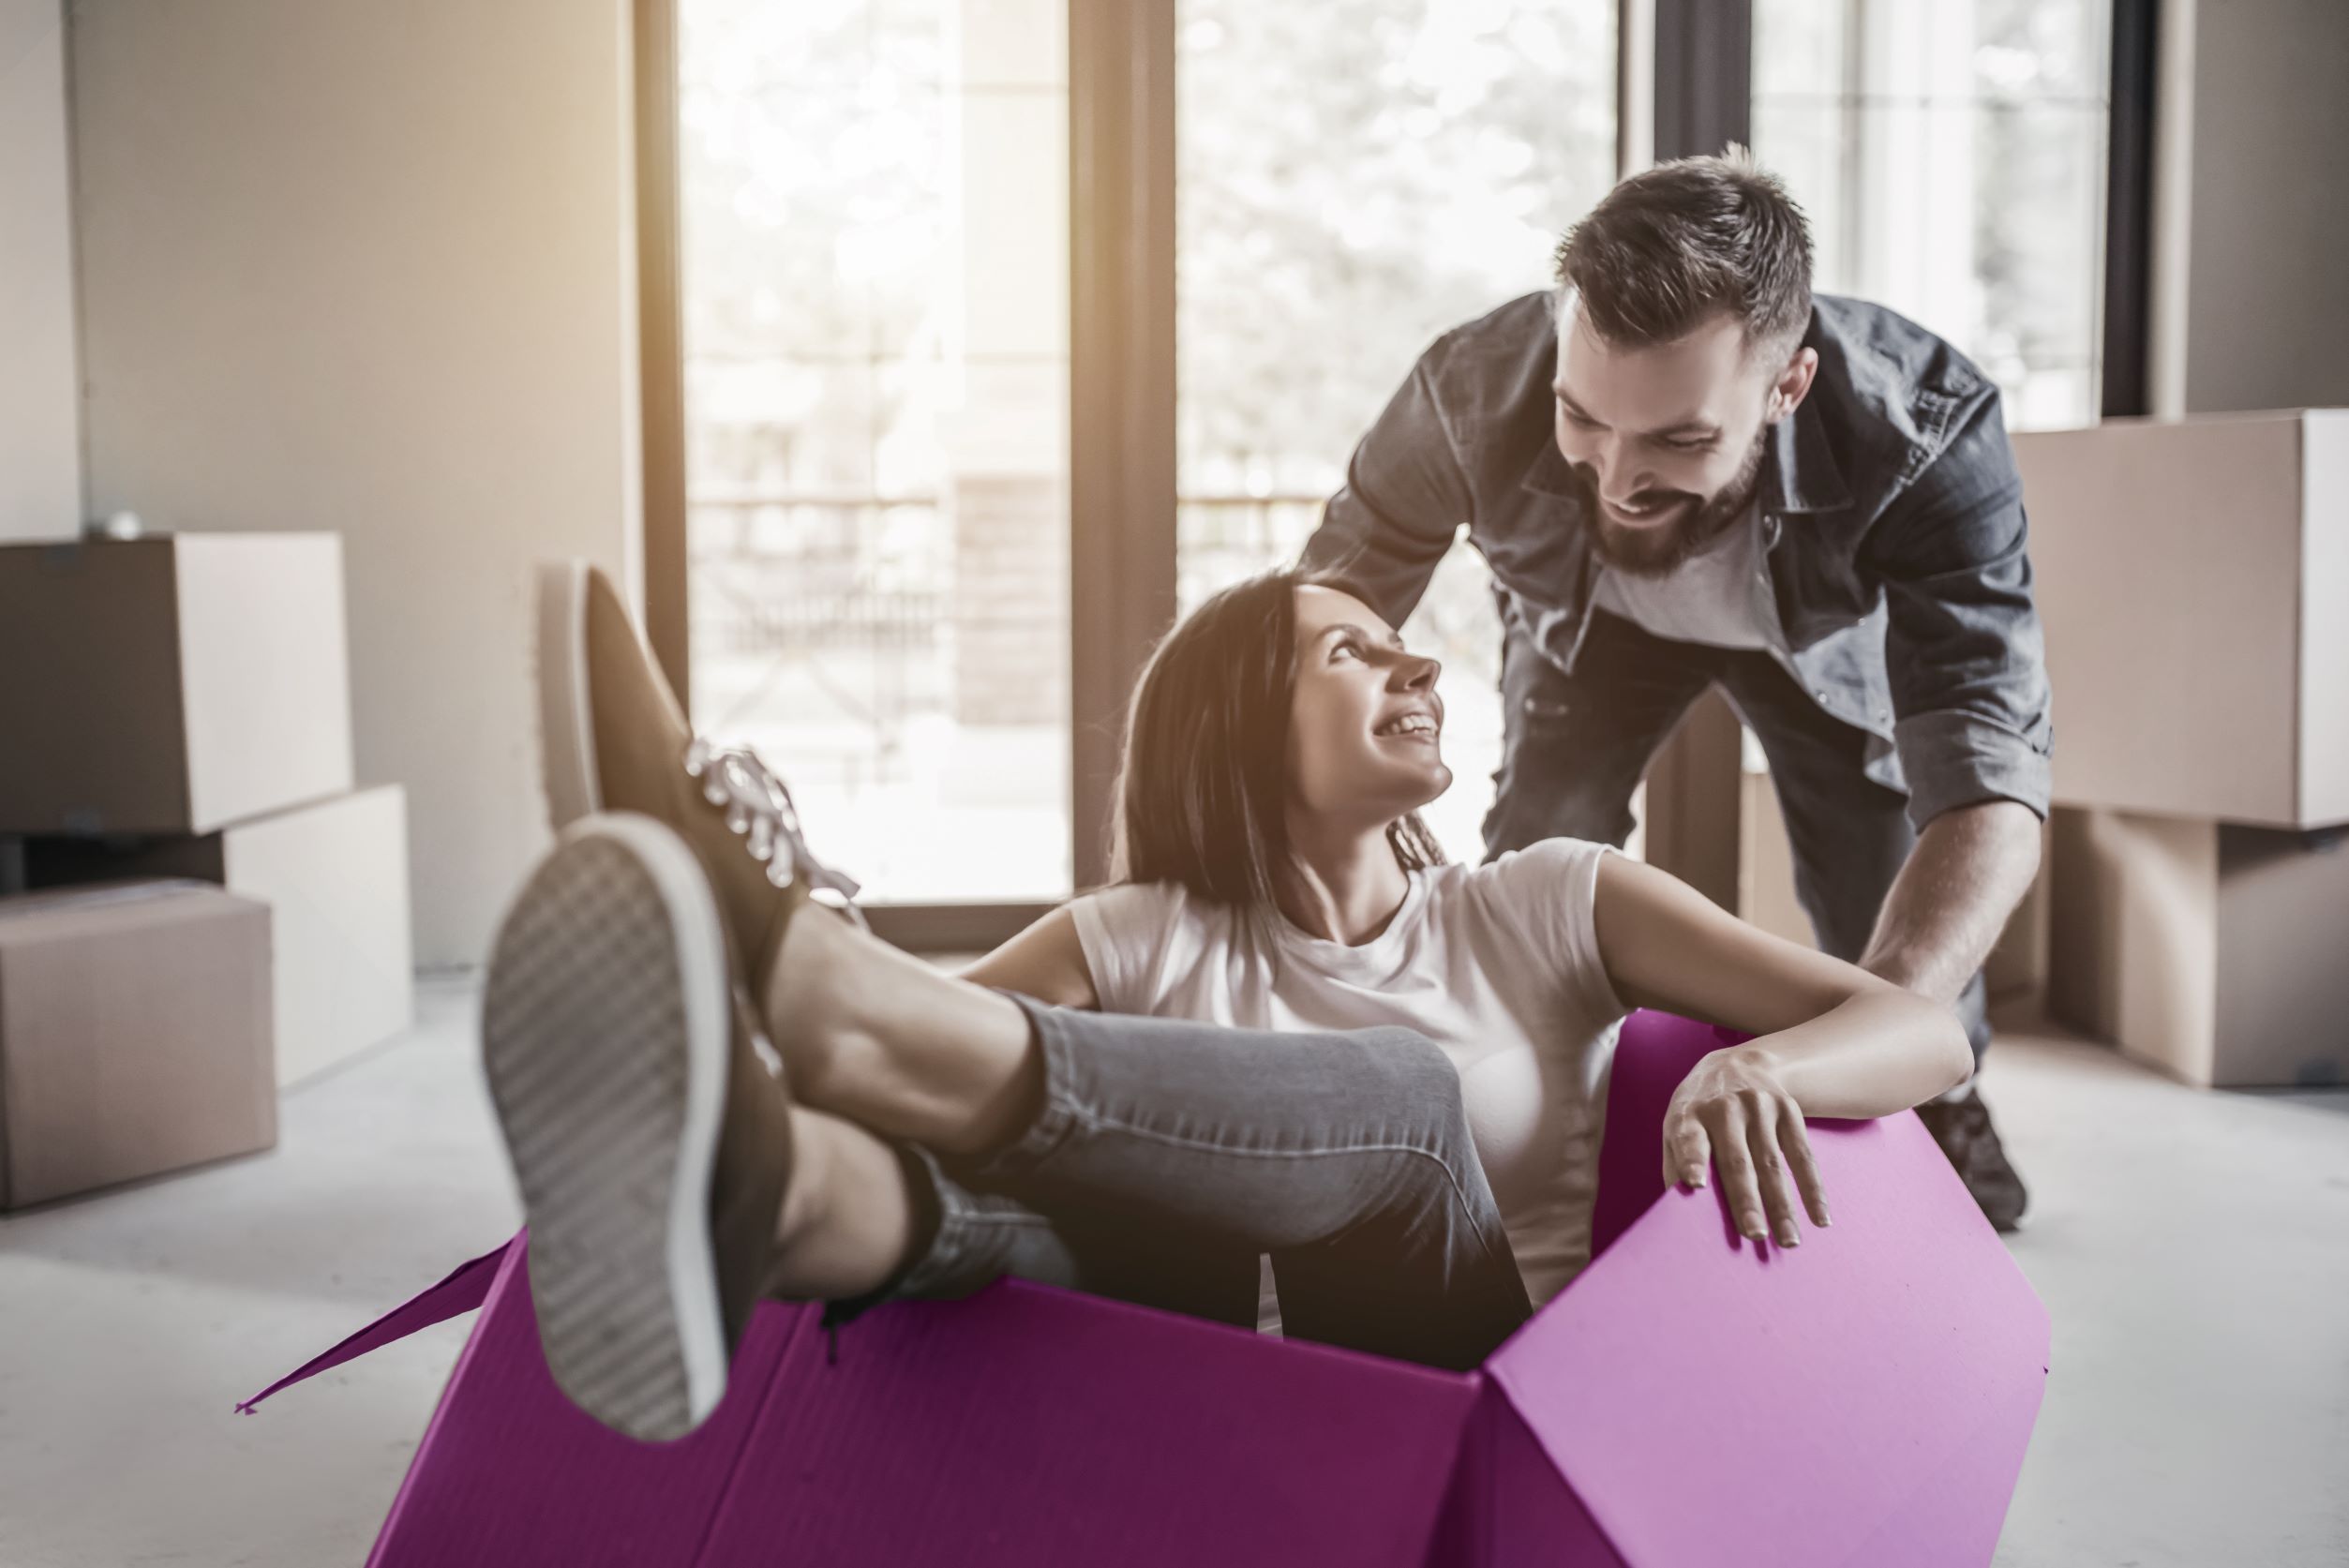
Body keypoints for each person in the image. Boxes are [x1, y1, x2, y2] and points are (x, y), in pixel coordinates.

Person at [482, 561, 1968, 1443]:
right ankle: (782, 1199)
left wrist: (1759, 1066)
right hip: (1171, 1407)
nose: (1413, 658)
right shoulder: (1132, 935)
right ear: (1239, 730)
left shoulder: (1550, 898)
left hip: (1459, 1410)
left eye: (1398, 640)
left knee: (1402, 1104)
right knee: (1032, 1205)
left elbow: (1916, 1030)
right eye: (1348, 646)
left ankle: (824, 974)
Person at [1300, 149, 2051, 1229]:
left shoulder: (1926, 426)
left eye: (1679, 438)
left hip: (1811, 650)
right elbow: (1318, 620)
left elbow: (1989, 769)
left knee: (1875, 897)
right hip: (1592, 631)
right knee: (1537, 847)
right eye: (1582, 419)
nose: (1612, 476)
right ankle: (1528, 1113)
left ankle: (1952, 1099)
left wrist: (1873, 1042)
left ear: (1788, 383)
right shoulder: (1466, 390)